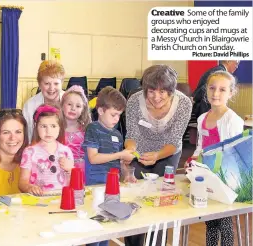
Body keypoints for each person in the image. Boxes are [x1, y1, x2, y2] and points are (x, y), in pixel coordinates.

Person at [124, 65, 192, 246]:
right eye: (151, 91)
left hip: (168, 153)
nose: (156, 97)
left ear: (172, 90)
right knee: (133, 199)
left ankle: (158, 243)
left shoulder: (183, 104)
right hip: (141, 153)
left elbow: (174, 139)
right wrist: (130, 152)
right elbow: (132, 135)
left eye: (163, 91)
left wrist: (158, 155)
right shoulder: (134, 101)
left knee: (162, 202)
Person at [189, 71, 243, 246]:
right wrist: (194, 159)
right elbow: (200, 145)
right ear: (206, 91)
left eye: (222, 89)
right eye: (212, 88)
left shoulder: (232, 120)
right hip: (207, 177)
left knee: (225, 222)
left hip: (226, 178)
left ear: (231, 93)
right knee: (210, 221)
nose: (216, 93)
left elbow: (234, 152)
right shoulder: (203, 118)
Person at [83, 86, 133, 246]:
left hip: (112, 187)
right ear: (100, 110)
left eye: (119, 115)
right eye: (113, 114)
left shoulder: (117, 134)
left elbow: (119, 162)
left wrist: (127, 173)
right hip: (95, 186)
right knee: (93, 230)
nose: (117, 119)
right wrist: (120, 154)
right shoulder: (93, 129)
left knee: (107, 229)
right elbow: (93, 158)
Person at [18, 104, 74, 196]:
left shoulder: (66, 151)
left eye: (53, 126)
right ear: (36, 126)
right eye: (43, 126)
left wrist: (71, 169)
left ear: (60, 127)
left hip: (62, 198)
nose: (48, 131)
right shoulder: (29, 152)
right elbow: (22, 183)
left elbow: (74, 181)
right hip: (38, 200)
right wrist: (29, 187)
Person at [23, 60, 66, 141]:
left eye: (56, 84)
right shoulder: (30, 105)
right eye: (47, 83)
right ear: (39, 84)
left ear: (62, 83)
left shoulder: (71, 101)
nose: (51, 88)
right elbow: (28, 135)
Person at [61, 85, 91, 181]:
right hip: (61, 171)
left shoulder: (87, 129)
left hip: (81, 172)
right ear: (62, 105)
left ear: (83, 110)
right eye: (69, 104)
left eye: (78, 106)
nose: (73, 108)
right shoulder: (56, 129)